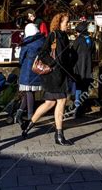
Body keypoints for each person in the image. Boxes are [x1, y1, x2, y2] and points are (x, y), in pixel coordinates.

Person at [21, 12, 71, 145]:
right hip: (54, 75)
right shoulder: (53, 35)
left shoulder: (64, 36)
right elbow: (42, 53)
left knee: (50, 103)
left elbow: (64, 55)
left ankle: (28, 126)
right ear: (59, 23)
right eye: (66, 22)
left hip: (60, 74)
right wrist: (53, 64)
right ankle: (59, 135)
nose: (68, 24)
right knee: (61, 101)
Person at [15, 20, 45, 126]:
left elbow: (21, 59)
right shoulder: (42, 40)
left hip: (27, 71)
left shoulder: (27, 43)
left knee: (28, 93)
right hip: (37, 70)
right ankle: (18, 115)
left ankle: (30, 117)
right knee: (29, 93)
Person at [69, 16, 94, 119]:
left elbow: (72, 52)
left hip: (79, 67)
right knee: (85, 88)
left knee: (78, 87)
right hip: (88, 67)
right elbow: (92, 51)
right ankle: (82, 108)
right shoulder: (91, 40)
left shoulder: (78, 40)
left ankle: (77, 108)